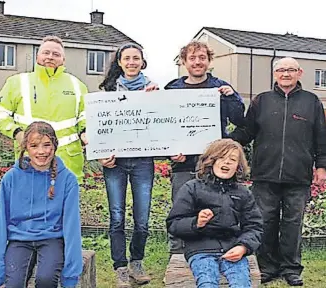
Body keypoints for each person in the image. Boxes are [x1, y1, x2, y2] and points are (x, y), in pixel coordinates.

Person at [231, 57, 326, 286]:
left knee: (292, 225)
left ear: (299, 73)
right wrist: (222, 141)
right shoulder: (261, 101)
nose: (286, 74)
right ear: (274, 74)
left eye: (291, 70)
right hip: (265, 174)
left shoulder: (312, 101)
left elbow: (321, 137)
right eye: (281, 70)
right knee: (264, 222)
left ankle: (291, 269)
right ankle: (266, 267)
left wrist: (322, 166)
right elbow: (246, 132)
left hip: (299, 176)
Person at [164, 40, 245, 254]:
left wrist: (232, 97)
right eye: (192, 58)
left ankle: (211, 252)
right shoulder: (172, 88)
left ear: (209, 61)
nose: (197, 62)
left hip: (213, 165)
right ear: (184, 62)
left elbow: (239, 120)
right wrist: (170, 154)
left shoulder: (220, 87)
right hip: (183, 165)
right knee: (180, 211)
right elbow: (161, 127)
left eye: (202, 58)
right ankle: (178, 256)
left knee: (216, 209)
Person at [0, 121, 83, 288]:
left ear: (55, 146)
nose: (41, 151)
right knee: (14, 283)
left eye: (47, 145)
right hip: (19, 239)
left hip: (51, 238)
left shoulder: (68, 180)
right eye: (34, 145)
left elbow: (72, 225)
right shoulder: (11, 178)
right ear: (26, 148)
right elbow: (0, 223)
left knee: (46, 279)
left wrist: (71, 273)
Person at [98, 43, 158, 288]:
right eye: (127, 58)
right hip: (116, 163)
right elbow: (98, 126)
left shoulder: (154, 89)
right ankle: (120, 267)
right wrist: (102, 154)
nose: (132, 62)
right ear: (119, 62)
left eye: (136, 58)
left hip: (143, 161)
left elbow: (163, 125)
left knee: (142, 218)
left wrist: (158, 101)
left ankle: (137, 262)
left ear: (142, 62)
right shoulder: (108, 91)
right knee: (117, 217)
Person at [0, 36, 88, 182]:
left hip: (68, 164)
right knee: (31, 202)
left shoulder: (77, 85)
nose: (50, 57)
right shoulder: (17, 82)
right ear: (37, 56)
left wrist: (85, 132)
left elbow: (85, 116)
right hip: (31, 160)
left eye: (56, 54)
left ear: (63, 60)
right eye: (46, 53)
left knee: (67, 204)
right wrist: (17, 132)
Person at [166, 139, 263, 288]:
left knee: (241, 284)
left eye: (233, 159)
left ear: (238, 166)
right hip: (200, 250)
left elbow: (254, 226)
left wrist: (243, 247)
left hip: (233, 249)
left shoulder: (243, 193)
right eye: (222, 158)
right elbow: (174, 224)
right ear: (211, 161)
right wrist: (196, 223)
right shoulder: (192, 188)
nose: (227, 162)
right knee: (207, 283)